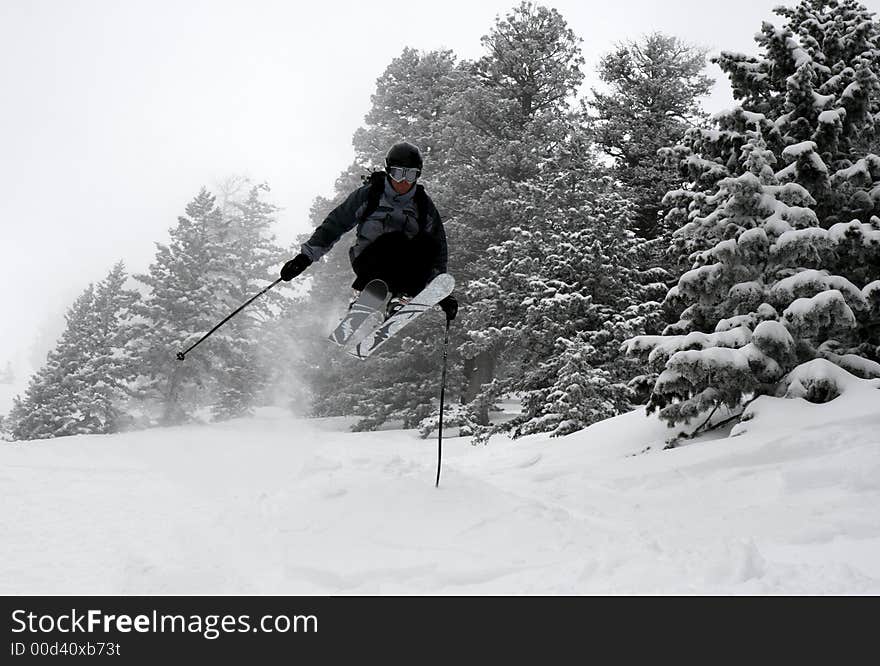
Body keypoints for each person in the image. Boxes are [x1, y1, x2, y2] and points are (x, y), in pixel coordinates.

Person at [280, 141, 458, 320]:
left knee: (427, 243)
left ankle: (401, 298)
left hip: (404, 269)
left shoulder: (423, 205)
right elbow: (336, 224)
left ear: (417, 175)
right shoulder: (370, 195)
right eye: (398, 174)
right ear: (389, 171)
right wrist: (305, 258)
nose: (403, 182)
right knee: (395, 239)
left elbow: (437, 247)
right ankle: (364, 295)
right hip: (370, 262)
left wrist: (439, 291)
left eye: (410, 175)